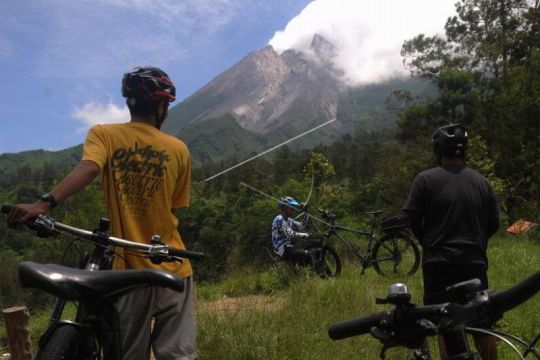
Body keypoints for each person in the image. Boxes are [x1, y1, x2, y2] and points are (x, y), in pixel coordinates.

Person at [8, 66, 196, 360]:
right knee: (179, 355)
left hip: (129, 273)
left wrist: (44, 203)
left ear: (129, 102)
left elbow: (90, 167)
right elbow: (172, 209)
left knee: (127, 355)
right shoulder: (179, 149)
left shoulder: (105, 134)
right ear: (161, 107)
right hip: (174, 264)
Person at [404, 124, 500, 360]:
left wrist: (427, 241)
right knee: (482, 323)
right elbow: (494, 222)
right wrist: (476, 242)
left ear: (438, 150)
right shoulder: (481, 182)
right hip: (474, 262)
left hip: (438, 263)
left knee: (446, 324)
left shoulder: (425, 179)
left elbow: (412, 217)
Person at [271, 196, 314, 264]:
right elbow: (291, 234)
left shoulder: (289, 220)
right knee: (308, 254)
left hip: (290, 248)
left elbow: (302, 226)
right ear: (285, 208)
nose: (293, 209)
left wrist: (306, 212)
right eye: (291, 207)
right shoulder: (279, 219)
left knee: (315, 252)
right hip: (283, 250)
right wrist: (306, 235)